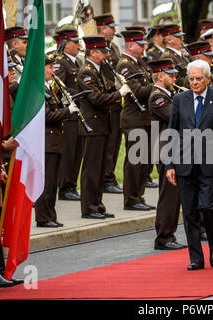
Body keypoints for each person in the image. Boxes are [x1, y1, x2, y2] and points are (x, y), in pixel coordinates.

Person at [166, 59, 213, 270]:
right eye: (191, 79)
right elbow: (173, 132)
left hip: (210, 164)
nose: (194, 83)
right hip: (185, 164)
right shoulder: (180, 99)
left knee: (207, 206)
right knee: (190, 212)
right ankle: (195, 257)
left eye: (198, 79)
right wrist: (170, 165)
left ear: (208, 79)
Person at [78, 36, 130, 219]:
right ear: (93, 52)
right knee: (91, 169)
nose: (106, 55)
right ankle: (88, 208)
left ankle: (97, 204)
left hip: (101, 125)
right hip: (92, 126)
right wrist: (119, 94)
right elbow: (96, 98)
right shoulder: (87, 71)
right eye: (103, 52)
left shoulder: (99, 70)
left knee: (100, 169)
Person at [116, 29, 156, 211]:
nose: (144, 48)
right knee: (135, 161)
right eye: (141, 45)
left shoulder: (139, 63)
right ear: (130, 45)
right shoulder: (125, 65)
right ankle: (131, 199)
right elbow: (137, 91)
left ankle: (138, 196)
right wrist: (158, 85)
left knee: (143, 161)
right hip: (134, 118)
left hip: (144, 118)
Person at [34, 56, 77, 227]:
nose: (53, 71)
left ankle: (50, 215)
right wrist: (68, 111)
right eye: (50, 68)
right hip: (46, 140)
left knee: (53, 183)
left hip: (55, 140)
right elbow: (46, 116)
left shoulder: (48, 88)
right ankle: (43, 217)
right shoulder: (37, 90)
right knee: (47, 182)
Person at [147, 59, 185, 250]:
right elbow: (174, 117)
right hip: (165, 150)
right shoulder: (157, 96)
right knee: (168, 195)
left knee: (174, 195)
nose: (175, 78)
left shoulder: (170, 94)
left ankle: (169, 234)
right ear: (160, 76)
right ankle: (163, 237)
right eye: (171, 75)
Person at [93, 13, 124, 195]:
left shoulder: (112, 47)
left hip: (116, 99)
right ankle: (106, 178)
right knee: (109, 144)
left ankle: (109, 175)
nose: (114, 31)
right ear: (103, 29)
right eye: (111, 28)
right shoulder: (97, 48)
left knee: (115, 141)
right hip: (107, 100)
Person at [53, 28, 83, 202]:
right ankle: (65, 187)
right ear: (64, 44)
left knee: (77, 152)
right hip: (68, 114)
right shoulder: (60, 62)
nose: (78, 44)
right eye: (74, 41)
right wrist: (80, 92)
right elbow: (57, 87)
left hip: (77, 112)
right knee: (69, 152)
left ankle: (72, 185)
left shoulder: (76, 61)